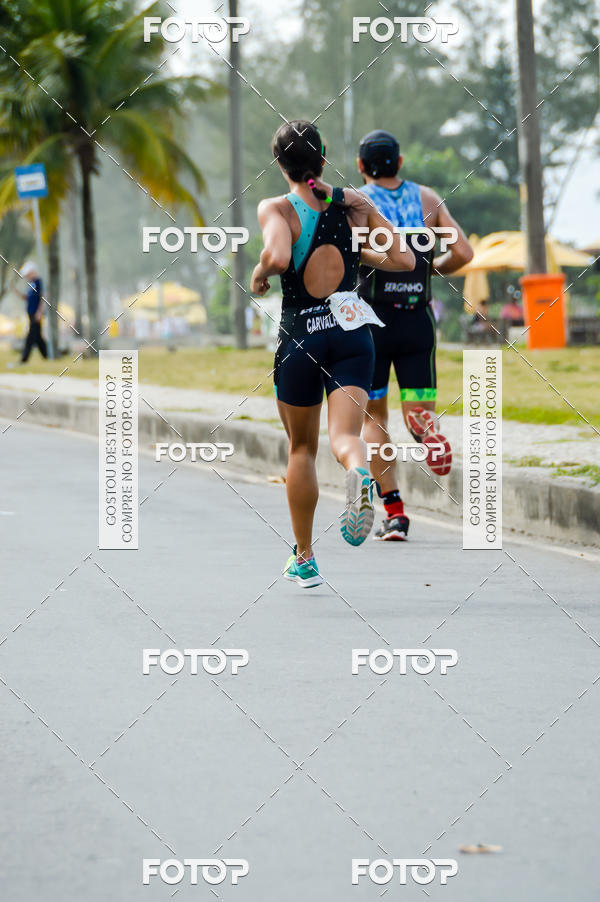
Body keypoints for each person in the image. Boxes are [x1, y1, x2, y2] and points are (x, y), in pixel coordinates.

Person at [251, 120, 415, 587]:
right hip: (350, 332)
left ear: (280, 164)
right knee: (346, 436)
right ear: (322, 159)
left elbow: (280, 257)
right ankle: (360, 472)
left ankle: (304, 557)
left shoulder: (277, 208)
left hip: (301, 334)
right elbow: (403, 259)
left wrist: (262, 272)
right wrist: (357, 201)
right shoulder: (350, 211)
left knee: (301, 448)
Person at [356, 130, 473, 541]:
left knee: (373, 416)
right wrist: (429, 269)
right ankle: (428, 434)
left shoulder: (358, 202)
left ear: (361, 166)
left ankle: (395, 513)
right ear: (400, 162)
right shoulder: (427, 199)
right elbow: (464, 253)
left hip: (371, 321)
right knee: (417, 410)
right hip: (417, 321)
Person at [17, 260, 48, 362]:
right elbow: (28, 298)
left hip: (36, 313)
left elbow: (43, 298)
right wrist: (17, 293)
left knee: (31, 336)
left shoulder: (39, 282)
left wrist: (40, 312)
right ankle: (47, 356)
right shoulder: (31, 284)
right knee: (38, 337)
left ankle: (24, 359)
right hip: (30, 313)